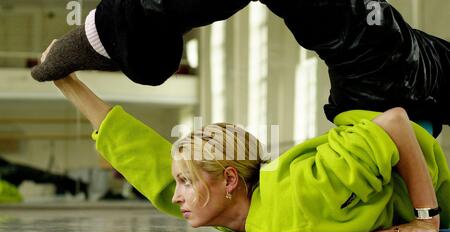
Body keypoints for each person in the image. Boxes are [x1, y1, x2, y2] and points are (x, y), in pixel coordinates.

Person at [38, 32, 448, 232]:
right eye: (181, 180)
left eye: (185, 182)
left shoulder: (304, 192)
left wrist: (426, 219)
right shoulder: (225, 208)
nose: (175, 193)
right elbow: (145, 160)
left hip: (386, 100)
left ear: (230, 179)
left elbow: (394, 122)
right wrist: (66, 83)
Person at [30, 0, 450, 136]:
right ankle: (115, 31)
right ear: (231, 179)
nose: (180, 193)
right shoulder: (289, 198)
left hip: (380, 75)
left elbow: (145, 163)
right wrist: (425, 213)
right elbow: (396, 125)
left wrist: (68, 83)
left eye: (183, 181)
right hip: (382, 79)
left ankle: (115, 32)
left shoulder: (255, 205)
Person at [0, 156, 89, 203]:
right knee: (44, 176)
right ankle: (77, 186)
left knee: (44, 176)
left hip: (10, 171)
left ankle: (77, 186)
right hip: (10, 171)